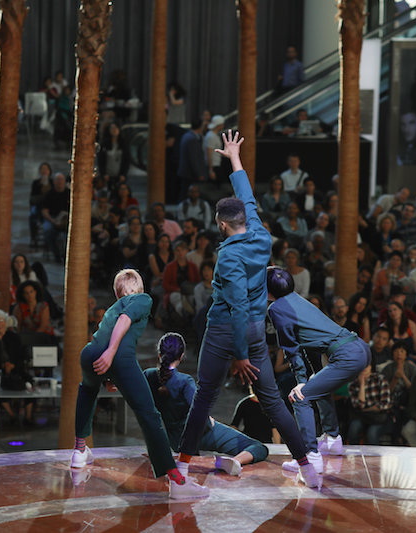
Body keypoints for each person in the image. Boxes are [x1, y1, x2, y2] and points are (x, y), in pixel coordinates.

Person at [176, 131, 316, 489]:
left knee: (205, 397)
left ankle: (183, 467)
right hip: (257, 329)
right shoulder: (260, 235)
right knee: (273, 402)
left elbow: (236, 306)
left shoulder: (228, 257)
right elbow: (248, 199)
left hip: (229, 331)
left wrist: (239, 356)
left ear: (222, 224)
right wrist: (235, 160)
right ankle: (306, 466)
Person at [71, 270, 207, 498]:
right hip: (117, 357)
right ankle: (177, 481)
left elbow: (107, 332)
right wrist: (111, 354)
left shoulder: (114, 306)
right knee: (149, 414)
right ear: (139, 288)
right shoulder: (142, 299)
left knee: (87, 390)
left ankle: (79, 450)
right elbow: (125, 321)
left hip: (89, 353)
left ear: (117, 293)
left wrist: (108, 372)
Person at [267, 266, 371, 470]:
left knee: (299, 397)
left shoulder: (276, 308)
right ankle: (332, 440)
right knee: (316, 386)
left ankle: (309, 457)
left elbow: (291, 349)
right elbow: (310, 346)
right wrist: (308, 378)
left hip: (346, 354)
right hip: (359, 348)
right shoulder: (296, 298)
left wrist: (300, 384)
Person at [144, 333, 268, 476]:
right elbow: (198, 414)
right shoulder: (184, 381)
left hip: (174, 439)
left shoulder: (148, 375)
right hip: (200, 434)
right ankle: (235, 461)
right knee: (258, 447)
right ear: (181, 356)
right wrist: (210, 423)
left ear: (159, 355)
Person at [347, 359, 392, 445]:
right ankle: (353, 455)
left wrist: (366, 409)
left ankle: (374, 457)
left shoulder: (380, 379)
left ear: (371, 366)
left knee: (372, 433)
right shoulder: (353, 384)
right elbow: (360, 405)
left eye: (367, 365)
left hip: (379, 417)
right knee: (354, 428)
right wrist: (362, 385)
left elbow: (385, 404)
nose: (364, 368)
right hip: (362, 417)